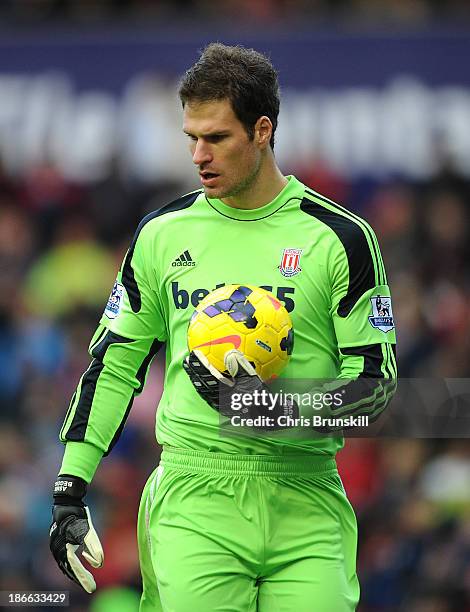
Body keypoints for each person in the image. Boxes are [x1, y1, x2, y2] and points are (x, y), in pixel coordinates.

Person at [49, 43, 397, 611]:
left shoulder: (340, 238)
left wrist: (262, 407)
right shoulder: (162, 233)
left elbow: (375, 392)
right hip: (196, 495)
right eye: (191, 137)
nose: (198, 155)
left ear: (262, 130)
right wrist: (70, 487)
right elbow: (114, 363)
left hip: (306, 498)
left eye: (217, 138)